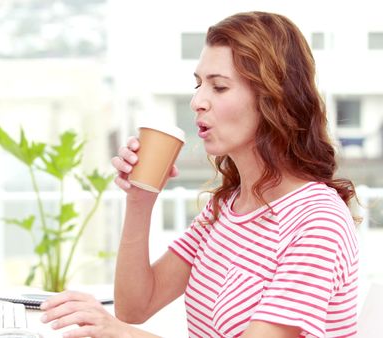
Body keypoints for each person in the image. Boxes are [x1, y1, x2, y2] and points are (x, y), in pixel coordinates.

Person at [39, 11, 359, 338]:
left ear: (273, 99)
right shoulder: (226, 209)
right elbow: (135, 306)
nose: (197, 101)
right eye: (198, 84)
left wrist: (120, 333)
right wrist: (141, 198)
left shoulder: (318, 221)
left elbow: (126, 324)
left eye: (219, 87)